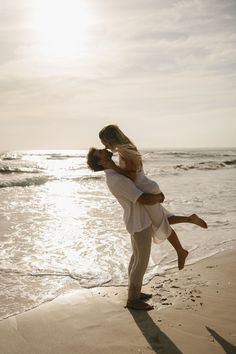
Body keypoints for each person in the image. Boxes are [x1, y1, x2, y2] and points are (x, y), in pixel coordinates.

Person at [87, 148, 194, 311]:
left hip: (136, 220)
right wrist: (159, 197)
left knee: (136, 258)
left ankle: (135, 293)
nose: (104, 149)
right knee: (141, 261)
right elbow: (143, 199)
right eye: (99, 153)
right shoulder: (116, 180)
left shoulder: (115, 176)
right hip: (138, 222)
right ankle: (133, 299)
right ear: (101, 162)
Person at [98, 124, 207, 263]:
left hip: (145, 189)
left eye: (105, 142)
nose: (105, 146)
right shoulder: (128, 148)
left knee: (161, 223)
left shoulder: (125, 152)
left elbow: (132, 177)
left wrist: (113, 167)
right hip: (146, 186)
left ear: (110, 139)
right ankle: (189, 220)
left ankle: (181, 251)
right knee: (162, 219)